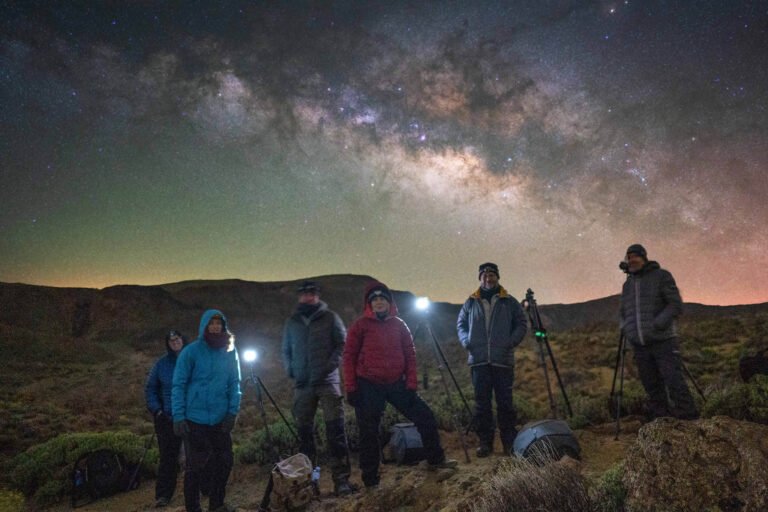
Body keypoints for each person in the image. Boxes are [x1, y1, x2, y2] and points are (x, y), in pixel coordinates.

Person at [342, 281, 457, 489]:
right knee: (369, 432)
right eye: (374, 300)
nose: (378, 302)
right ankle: (370, 481)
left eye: (382, 299)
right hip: (368, 384)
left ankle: (435, 460)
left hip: (397, 382)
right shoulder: (360, 326)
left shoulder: (399, 325)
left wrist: (411, 381)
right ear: (369, 304)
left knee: (425, 416)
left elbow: (410, 355)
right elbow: (348, 357)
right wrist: (351, 387)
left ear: (389, 303)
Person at [281, 280, 354, 496]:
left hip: (327, 382)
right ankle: (308, 483)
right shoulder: (292, 322)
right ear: (299, 296)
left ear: (318, 295)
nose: (308, 297)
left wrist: (328, 368)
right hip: (302, 385)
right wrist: (292, 371)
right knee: (304, 435)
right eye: (304, 293)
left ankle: (341, 480)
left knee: (336, 432)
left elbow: (342, 344)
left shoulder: (330, 317)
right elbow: (285, 349)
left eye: (312, 293)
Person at [172, 310, 242, 512]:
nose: (215, 327)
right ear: (204, 326)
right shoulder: (191, 352)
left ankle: (217, 504)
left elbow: (234, 383)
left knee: (225, 461)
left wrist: (232, 412)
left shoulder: (230, 351)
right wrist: (178, 416)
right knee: (195, 467)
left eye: (218, 323)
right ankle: (193, 508)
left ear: (223, 326)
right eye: (211, 323)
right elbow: (179, 384)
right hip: (195, 418)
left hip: (220, 418)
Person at [619, 244, 699, 420]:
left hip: (663, 340)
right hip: (640, 345)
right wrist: (626, 329)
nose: (632, 260)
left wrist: (658, 324)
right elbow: (624, 312)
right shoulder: (628, 285)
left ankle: (689, 418)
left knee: (674, 380)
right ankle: (661, 420)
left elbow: (675, 304)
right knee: (651, 386)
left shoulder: (661, 276)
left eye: (635, 256)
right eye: (629, 257)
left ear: (644, 258)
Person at [457, 262, 527, 457]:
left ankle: (509, 443)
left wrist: (510, 342)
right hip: (479, 360)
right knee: (482, 404)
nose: (488, 278)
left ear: (498, 277)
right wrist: (466, 341)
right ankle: (485, 443)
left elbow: (522, 324)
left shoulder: (509, 301)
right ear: (480, 278)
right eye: (485, 275)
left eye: (492, 275)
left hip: (502, 360)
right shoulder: (471, 302)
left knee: (505, 403)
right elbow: (461, 324)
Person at [144, 330, 187, 508]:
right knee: (168, 458)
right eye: (171, 340)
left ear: (183, 340)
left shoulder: (193, 359)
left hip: (191, 415)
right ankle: (163, 495)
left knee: (198, 454)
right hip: (168, 418)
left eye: (177, 339)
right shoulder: (162, 364)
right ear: (168, 343)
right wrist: (157, 411)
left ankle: (205, 488)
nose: (175, 342)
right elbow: (151, 388)